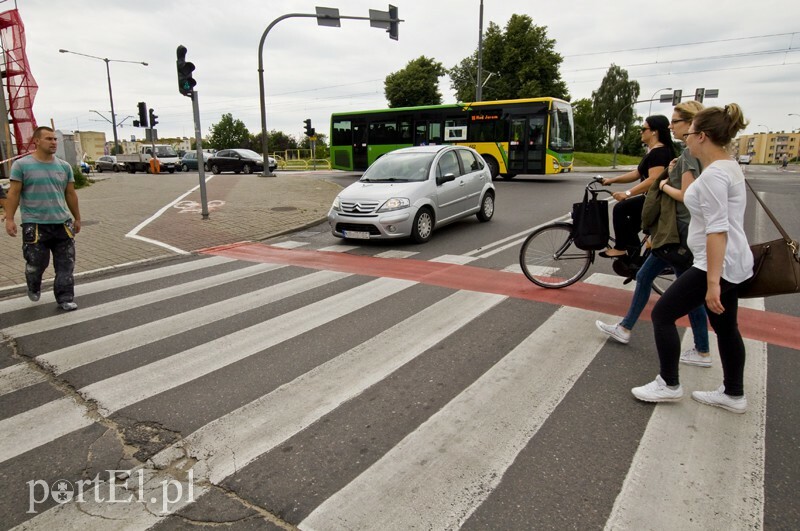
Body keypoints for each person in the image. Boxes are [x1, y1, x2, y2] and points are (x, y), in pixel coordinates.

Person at [631, 104, 753, 413]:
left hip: (716, 264)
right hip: (731, 261)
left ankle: (669, 383)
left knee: (662, 315)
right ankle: (733, 393)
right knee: (726, 328)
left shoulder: (714, 176)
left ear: (704, 136)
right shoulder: (728, 166)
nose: (686, 137)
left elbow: (717, 231)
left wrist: (712, 282)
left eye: (692, 132)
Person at [596, 101, 711, 367]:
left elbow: (686, 196)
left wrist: (664, 184)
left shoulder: (690, 155)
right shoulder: (689, 154)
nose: (672, 126)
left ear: (691, 124)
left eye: (676, 121)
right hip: (675, 230)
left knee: (687, 292)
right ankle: (625, 328)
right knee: (646, 275)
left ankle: (701, 352)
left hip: (679, 233)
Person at [4, 126, 82, 311]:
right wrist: (9, 219)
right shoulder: (22, 165)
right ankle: (33, 282)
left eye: (55, 139)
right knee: (37, 263)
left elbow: (70, 194)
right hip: (35, 225)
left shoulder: (64, 166)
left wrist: (77, 218)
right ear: (37, 141)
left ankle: (65, 298)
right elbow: (13, 193)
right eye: (49, 139)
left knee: (66, 264)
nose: (53, 142)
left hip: (62, 223)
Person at [600, 115, 675, 258]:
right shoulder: (655, 151)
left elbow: (653, 179)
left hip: (656, 200)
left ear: (654, 131)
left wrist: (627, 194)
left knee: (620, 208)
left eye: (643, 128)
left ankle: (621, 248)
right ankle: (634, 261)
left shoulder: (659, 152)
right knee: (629, 227)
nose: (640, 131)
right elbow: (637, 173)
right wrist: (611, 180)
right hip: (653, 198)